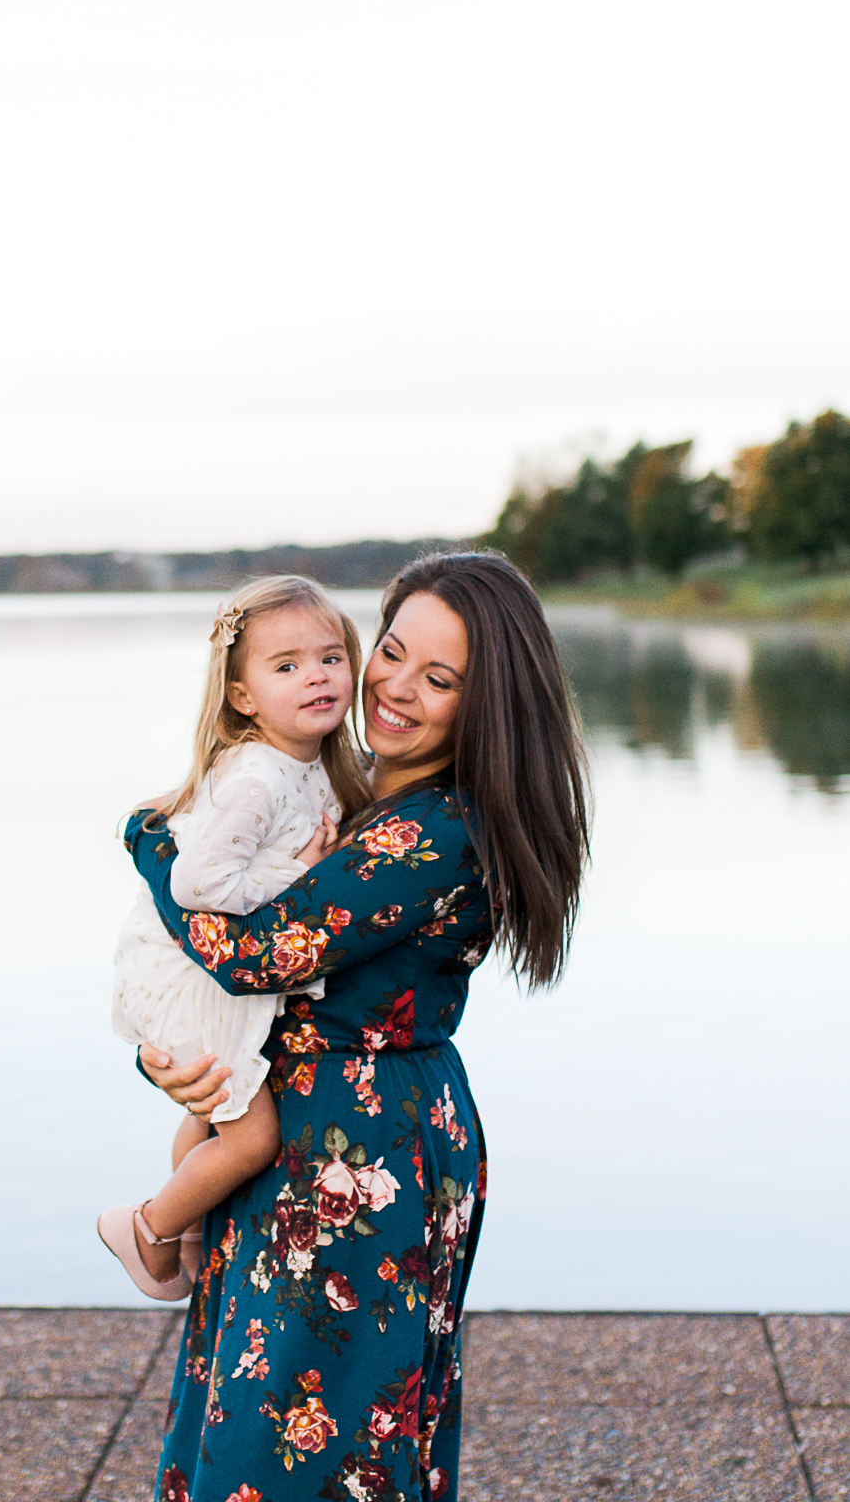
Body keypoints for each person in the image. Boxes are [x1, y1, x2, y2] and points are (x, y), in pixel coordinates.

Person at [126, 551, 589, 1502]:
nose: (395, 688)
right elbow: (240, 985)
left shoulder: (436, 829)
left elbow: (253, 954)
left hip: (358, 1158)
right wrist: (162, 1060)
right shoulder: (344, 790)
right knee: (259, 1412)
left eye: (441, 677)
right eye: (390, 652)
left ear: (488, 702)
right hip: (303, 1134)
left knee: (316, 1441)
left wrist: (146, 843)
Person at [100, 575, 371, 1299]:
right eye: (286, 666)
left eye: (330, 657)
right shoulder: (259, 774)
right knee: (251, 1137)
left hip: (194, 973)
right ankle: (147, 1227)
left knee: (216, 1113)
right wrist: (293, 879)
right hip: (182, 974)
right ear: (243, 697)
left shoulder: (307, 762)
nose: (315, 675)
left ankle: (184, 1232)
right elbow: (196, 887)